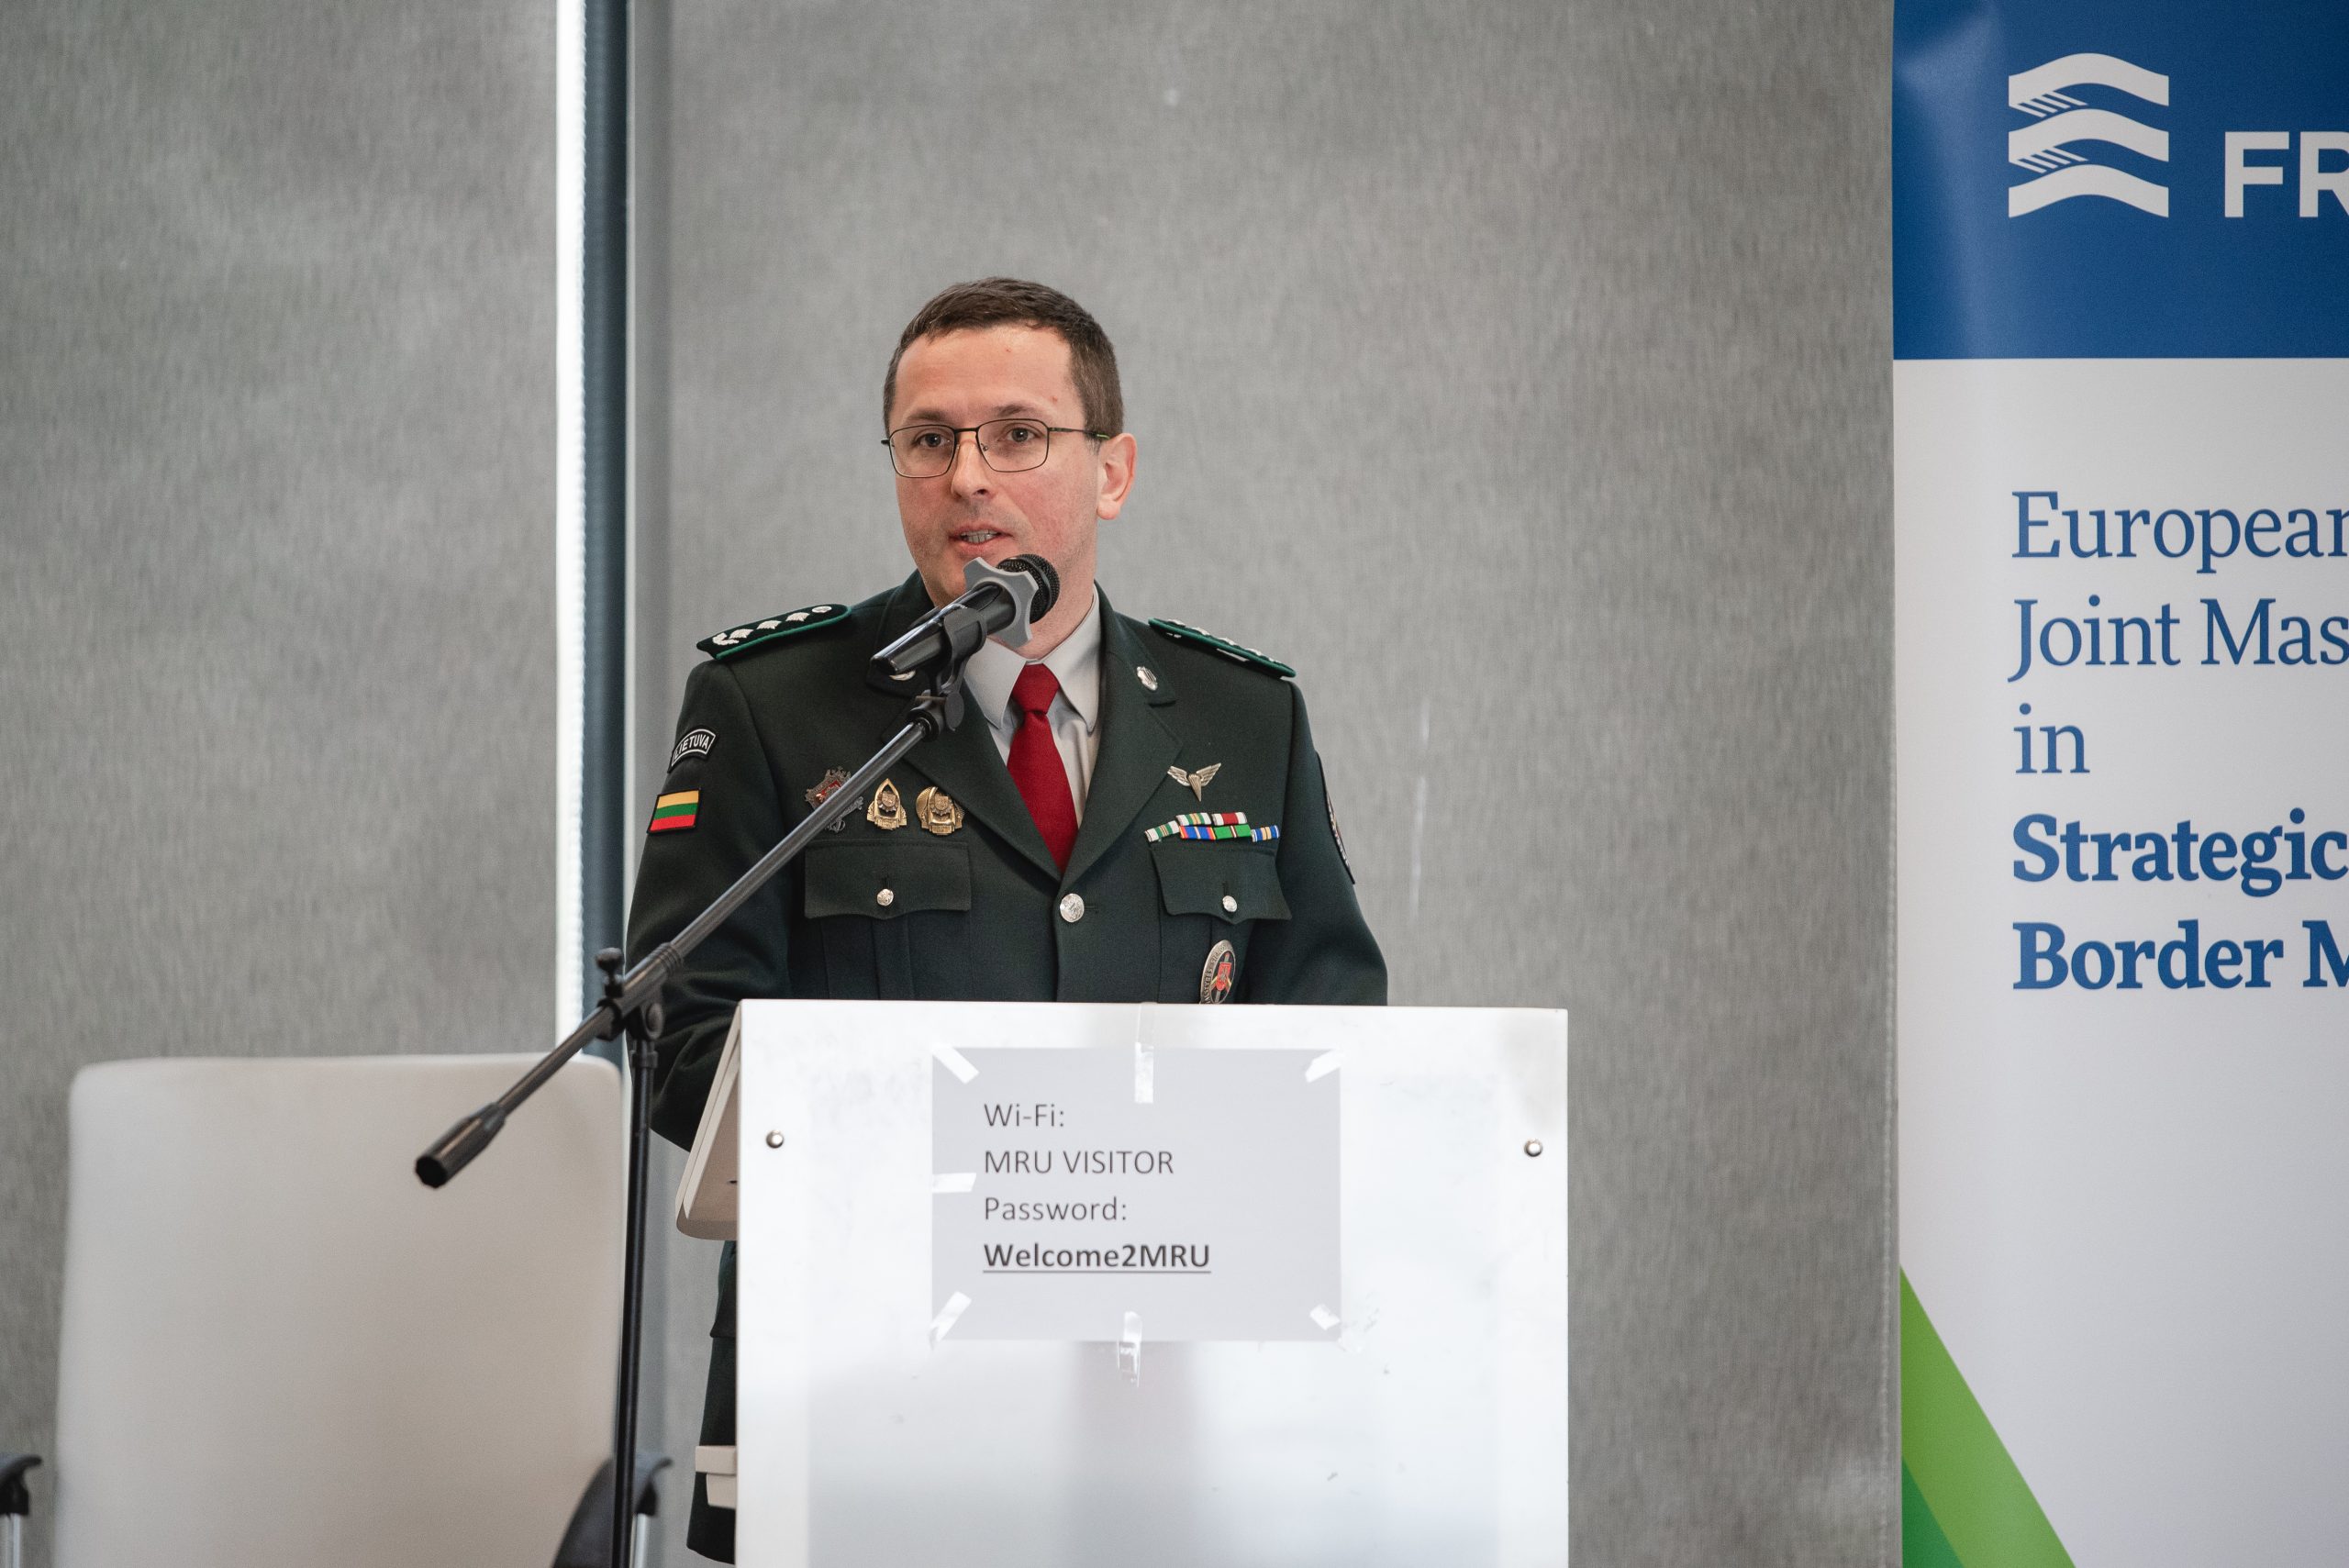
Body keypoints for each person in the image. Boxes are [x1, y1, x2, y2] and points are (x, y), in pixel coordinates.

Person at [625, 276, 1386, 1560]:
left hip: (1171, 1388)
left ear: (1113, 472)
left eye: (1018, 435)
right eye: (929, 440)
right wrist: (993, 1178)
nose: (968, 476)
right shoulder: (773, 704)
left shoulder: (1247, 716)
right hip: (859, 1379)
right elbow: (679, 1026)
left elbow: (1334, 1029)